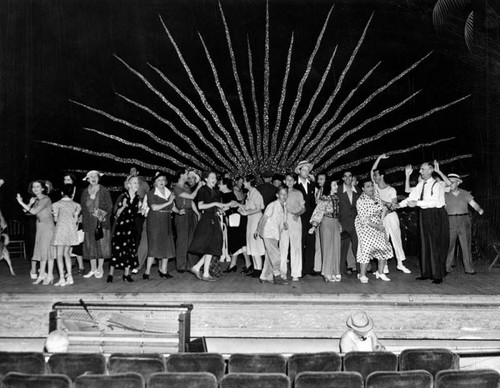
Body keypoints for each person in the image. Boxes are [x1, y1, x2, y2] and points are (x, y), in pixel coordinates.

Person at [398, 162, 449, 284]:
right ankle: (426, 273)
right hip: (424, 214)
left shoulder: (437, 184)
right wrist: (398, 205)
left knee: (435, 244)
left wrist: (417, 203)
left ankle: (438, 275)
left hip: (436, 214)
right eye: (420, 169)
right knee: (425, 243)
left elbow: (433, 202)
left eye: (423, 169)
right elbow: (411, 197)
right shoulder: (421, 184)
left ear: (431, 170)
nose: (420, 171)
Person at [371, 154, 411, 274]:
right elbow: (371, 170)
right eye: (374, 175)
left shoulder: (391, 190)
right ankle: (385, 265)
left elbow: (394, 206)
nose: (374, 177)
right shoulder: (375, 187)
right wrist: (379, 158)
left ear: (382, 176)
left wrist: (384, 205)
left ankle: (400, 263)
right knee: (383, 241)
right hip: (380, 218)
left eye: (376, 175)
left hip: (391, 217)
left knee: (396, 239)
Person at [189, 171, 233, 282]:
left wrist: (222, 209)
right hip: (206, 219)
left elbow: (217, 207)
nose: (214, 179)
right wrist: (215, 204)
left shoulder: (216, 191)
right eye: (212, 177)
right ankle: (205, 272)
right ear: (206, 179)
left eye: (215, 177)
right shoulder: (202, 190)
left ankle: (198, 268)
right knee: (210, 246)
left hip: (214, 218)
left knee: (213, 246)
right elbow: (200, 206)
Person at [16, 181, 55, 284]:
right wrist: (29, 203)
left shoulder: (46, 199)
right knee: (41, 251)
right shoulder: (37, 199)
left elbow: (33, 212)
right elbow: (26, 211)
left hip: (47, 227)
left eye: (38, 186)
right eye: (33, 187)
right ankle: (42, 274)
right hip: (40, 226)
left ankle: (50, 275)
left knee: (48, 251)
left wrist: (21, 202)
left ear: (43, 188)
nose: (35, 188)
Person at [355, 179, 393, 283]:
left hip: (378, 223)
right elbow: (364, 219)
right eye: (368, 186)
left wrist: (383, 215)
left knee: (383, 246)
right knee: (366, 249)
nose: (371, 188)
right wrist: (376, 226)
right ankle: (362, 274)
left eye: (371, 185)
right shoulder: (361, 200)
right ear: (363, 188)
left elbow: (380, 208)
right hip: (365, 226)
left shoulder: (376, 194)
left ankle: (380, 272)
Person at [445, 173, 484, 275]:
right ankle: (446, 268)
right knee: (449, 245)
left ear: (458, 182)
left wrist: (479, 209)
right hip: (450, 220)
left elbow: (474, 204)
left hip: (464, 220)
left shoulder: (465, 193)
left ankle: (469, 269)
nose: (450, 184)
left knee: (466, 245)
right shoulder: (444, 194)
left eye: (453, 182)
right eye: (448, 182)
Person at [143, 171, 176, 279]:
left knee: (166, 245)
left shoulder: (169, 192)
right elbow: (154, 207)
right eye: (159, 180)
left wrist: (179, 211)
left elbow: (172, 206)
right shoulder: (151, 193)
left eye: (163, 179)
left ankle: (163, 270)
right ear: (155, 183)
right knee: (154, 246)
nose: (161, 182)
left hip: (166, 220)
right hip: (155, 221)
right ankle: (147, 272)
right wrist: (169, 202)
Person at [107, 176, 141, 283]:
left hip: (131, 227)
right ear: (129, 185)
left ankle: (126, 274)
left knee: (129, 251)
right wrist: (123, 207)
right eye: (134, 183)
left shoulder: (138, 198)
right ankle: (110, 274)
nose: (137, 185)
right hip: (121, 228)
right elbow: (115, 213)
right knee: (117, 250)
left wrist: (142, 210)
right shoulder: (122, 196)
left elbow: (136, 213)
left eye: (137, 183)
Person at [81, 170, 113, 279]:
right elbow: (83, 207)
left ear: (99, 178)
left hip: (101, 221)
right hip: (89, 222)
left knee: (101, 245)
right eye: (91, 177)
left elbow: (109, 206)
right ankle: (93, 268)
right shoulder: (85, 191)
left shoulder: (104, 190)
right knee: (90, 246)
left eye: (95, 176)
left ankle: (100, 268)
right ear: (87, 179)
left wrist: (98, 214)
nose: (93, 178)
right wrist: (91, 199)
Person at [255, 186, 289, 285]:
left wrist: (285, 224)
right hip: (268, 233)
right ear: (277, 195)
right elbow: (264, 218)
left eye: (285, 194)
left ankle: (265, 277)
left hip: (276, 234)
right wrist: (258, 229)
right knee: (276, 255)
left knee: (270, 256)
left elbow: (282, 220)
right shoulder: (272, 205)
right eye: (282, 194)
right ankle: (277, 276)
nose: (284, 196)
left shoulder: (284, 206)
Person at [309, 180, 342, 282]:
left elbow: (337, 213)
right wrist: (314, 226)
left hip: (335, 223)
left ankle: (335, 271)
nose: (336, 186)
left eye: (336, 184)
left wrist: (339, 223)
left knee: (336, 247)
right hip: (326, 222)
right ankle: (327, 273)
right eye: (334, 185)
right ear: (329, 186)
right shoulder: (324, 198)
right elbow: (319, 211)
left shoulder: (337, 197)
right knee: (327, 248)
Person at [173, 168, 202, 273]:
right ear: (181, 175)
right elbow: (190, 196)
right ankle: (181, 266)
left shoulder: (186, 186)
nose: (188, 176)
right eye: (186, 174)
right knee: (182, 240)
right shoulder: (176, 188)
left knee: (191, 239)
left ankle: (192, 265)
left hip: (190, 213)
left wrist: (197, 213)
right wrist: (198, 186)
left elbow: (191, 201)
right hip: (182, 214)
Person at [52, 184, 81, 286]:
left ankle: (61, 278)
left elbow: (55, 220)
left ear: (61, 193)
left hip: (60, 230)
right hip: (70, 231)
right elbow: (76, 220)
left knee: (59, 254)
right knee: (67, 253)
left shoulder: (56, 204)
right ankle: (70, 276)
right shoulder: (76, 205)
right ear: (72, 193)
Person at [219, 178, 251, 273]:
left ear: (225, 185)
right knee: (237, 242)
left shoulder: (228, 194)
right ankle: (235, 264)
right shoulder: (227, 194)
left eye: (220, 183)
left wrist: (222, 209)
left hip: (236, 221)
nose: (218, 185)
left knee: (238, 242)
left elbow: (231, 206)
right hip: (235, 220)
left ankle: (246, 264)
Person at [239, 175, 266, 278]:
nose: (243, 183)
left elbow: (259, 208)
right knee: (252, 245)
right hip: (251, 220)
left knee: (256, 245)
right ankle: (256, 269)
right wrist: (241, 209)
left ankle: (259, 269)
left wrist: (246, 213)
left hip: (256, 220)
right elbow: (248, 206)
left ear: (249, 182)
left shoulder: (256, 193)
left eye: (244, 182)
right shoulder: (249, 193)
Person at [294, 160, 317, 277]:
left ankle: (309, 267)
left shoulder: (312, 185)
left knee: (311, 243)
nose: (306, 172)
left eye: (308, 170)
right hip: (299, 218)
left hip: (311, 218)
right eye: (304, 169)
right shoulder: (294, 185)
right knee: (300, 243)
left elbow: (314, 203)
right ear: (299, 171)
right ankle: (300, 269)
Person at [280, 173, 304, 281]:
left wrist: (297, 214)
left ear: (294, 182)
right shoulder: (281, 193)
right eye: (287, 180)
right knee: (283, 246)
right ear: (284, 181)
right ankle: (282, 272)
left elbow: (303, 208)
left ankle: (296, 273)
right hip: (283, 220)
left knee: (296, 247)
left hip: (295, 219)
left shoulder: (298, 193)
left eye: (291, 180)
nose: (289, 182)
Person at [338, 170, 360, 275]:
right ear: (342, 178)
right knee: (342, 250)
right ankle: (340, 272)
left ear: (352, 178)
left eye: (349, 176)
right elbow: (335, 208)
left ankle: (361, 272)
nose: (347, 178)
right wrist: (338, 223)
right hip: (343, 224)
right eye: (345, 176)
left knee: (358, 249)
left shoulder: (358, 191)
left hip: (356, 224)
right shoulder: (338, 190)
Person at [63, 174, 84, 275]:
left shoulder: (79, 191)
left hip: (78, 220)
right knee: (66, 245)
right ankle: (68, 267)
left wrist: (77, 218)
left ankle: (81, 266)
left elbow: (82, 206)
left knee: (77, 243)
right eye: (65, 179)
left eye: (68, 179)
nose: (66, 181)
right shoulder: (63, 192)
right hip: (66, 221)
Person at [314, 172, 327, 274]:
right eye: (318, 179)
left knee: (325, 245)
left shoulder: (327, 193)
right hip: (318, 220)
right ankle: (318, 267)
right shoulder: (319, 191)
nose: (319, 181)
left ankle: (325, 267)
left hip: (325, 220)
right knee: (318, 244)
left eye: (321, 179)